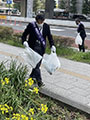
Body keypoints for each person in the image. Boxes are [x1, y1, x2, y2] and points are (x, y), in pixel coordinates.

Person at [21, 14, 56, 87]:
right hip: (33, 47)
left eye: (41, 21)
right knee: (36, 64)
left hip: (41, 48)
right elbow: (24, 35)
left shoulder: (46, 26)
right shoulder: (31, 25)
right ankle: (39, 81)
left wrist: (52, 45)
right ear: (36, 20)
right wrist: (24, 41)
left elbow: (49, 37)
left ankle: (31, 77)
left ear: (44, 20)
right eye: (38, 21)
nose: (40, 23)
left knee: (37, 64)